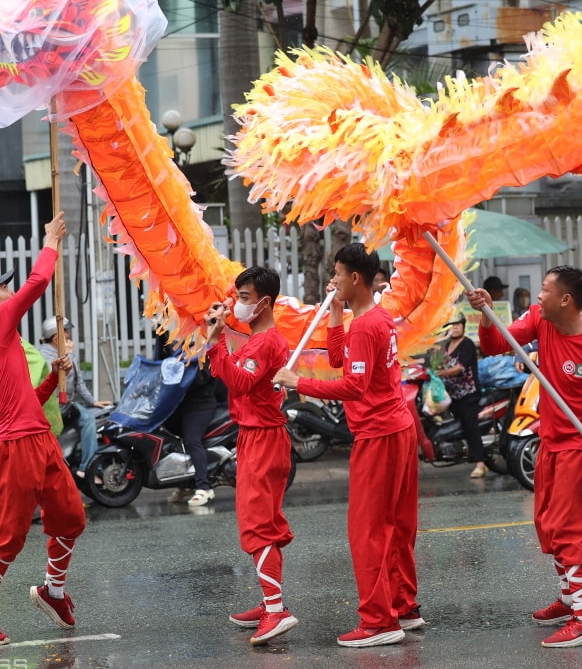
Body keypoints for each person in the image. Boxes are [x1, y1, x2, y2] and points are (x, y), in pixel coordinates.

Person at [468, 265, 582, 648]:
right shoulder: (539, 319)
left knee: (571, 532)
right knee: (548, 526)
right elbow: (495, 345)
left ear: (565, 299)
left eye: (545, 290)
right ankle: (568, 600)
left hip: (581, 451)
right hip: (548, 444)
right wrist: (485, 314)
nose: (538, 296)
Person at [272, 243, 421, 648]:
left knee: (368, 530)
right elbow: (339, 358)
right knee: (397, 525)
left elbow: (354, 386)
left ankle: (379, 622)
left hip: (380, 434)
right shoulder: (374, 317)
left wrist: (298, 382)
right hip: (396, 428)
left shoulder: (368, 325)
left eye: (337, 273)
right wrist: (336, 313)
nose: (332, 279)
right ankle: (403, 606)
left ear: (355, 278)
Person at [0, 211, 84, 647]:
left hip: (38, 439)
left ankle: (53, 592)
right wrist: (50, 241)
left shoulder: (5, 339)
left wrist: (53, 378)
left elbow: (23, 398)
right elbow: (37, 283)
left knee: (70, 519)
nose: (9, 290)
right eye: (2, 287)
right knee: (9, 539)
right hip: (14, 446)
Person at [208, 266, 298, 645]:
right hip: (256, 436)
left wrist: (216, 341)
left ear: (265, 303)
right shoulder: (257, 340)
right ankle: (270, 601)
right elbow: (232, 374)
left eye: (244, 298)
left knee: (258, 526)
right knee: (261, 522)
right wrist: (219, 339)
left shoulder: (265, 342)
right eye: (237, 297)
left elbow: (240, 382)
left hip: (263, 439)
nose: (238, 305)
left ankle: (276, 610)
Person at [38, 318, 112, 479]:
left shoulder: (61, 351)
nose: (69, 334)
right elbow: (60, 379)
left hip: (66, 403)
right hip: (53, 407)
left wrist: (92, 401)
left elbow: (78, 382)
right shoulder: (45, 355)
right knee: (87, 420)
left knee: (89, 416)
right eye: (66, 331)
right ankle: (86, 469)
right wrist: (69, 355)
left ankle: (86, 467)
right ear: (56, 337)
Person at [153, 331, 220, 507]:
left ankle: (204, 487)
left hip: (201, 405)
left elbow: (202, 380)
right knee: (173, 442)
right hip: (180, 406)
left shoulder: (204, 351)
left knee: (192, 440)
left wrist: (184, 368)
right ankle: (185, 484)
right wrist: (160, 335)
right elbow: (162, 362)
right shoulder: (179, 351)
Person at [436, 313, 487, 478]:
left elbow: (460, 368)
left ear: (463, 326)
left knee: (471, 427)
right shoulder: (446, 346)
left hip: (468, 394)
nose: (455, 328)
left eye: (458, 324)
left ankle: (481, 464)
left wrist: (443, 372)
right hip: (453, 395)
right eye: (452, 325)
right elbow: (436, 363)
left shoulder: (467, 344)